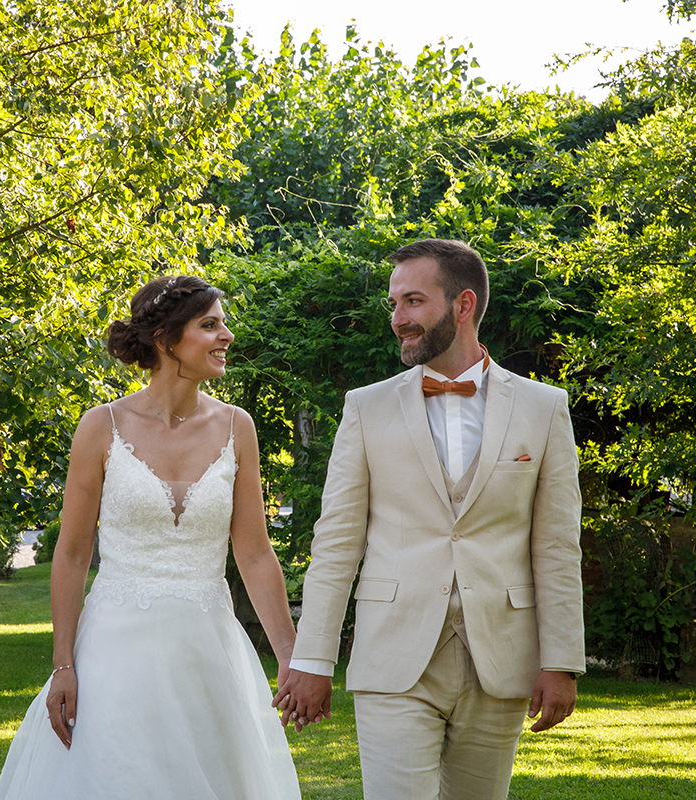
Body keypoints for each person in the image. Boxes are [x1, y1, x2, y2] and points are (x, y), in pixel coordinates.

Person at [274, 239, 585, 800]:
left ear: (463, 305)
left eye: (413, 302)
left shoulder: (545, 408)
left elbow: (558, 547)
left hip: (501, 658)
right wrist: (313, 660)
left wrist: (561, 660)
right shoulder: (366, 408)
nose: (398, 320)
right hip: (394, 656)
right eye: (394, 305)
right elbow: (337, 542)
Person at [0, 275, 301, 800]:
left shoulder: (236, 427)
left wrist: (292, 657)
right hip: (114, 653)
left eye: (223, 324)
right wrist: (62, 664)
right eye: (210, 325)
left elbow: (253, 552)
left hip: (210, 653)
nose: (227, 336)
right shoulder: (101, 425)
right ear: (165, 339)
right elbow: (70, 554)